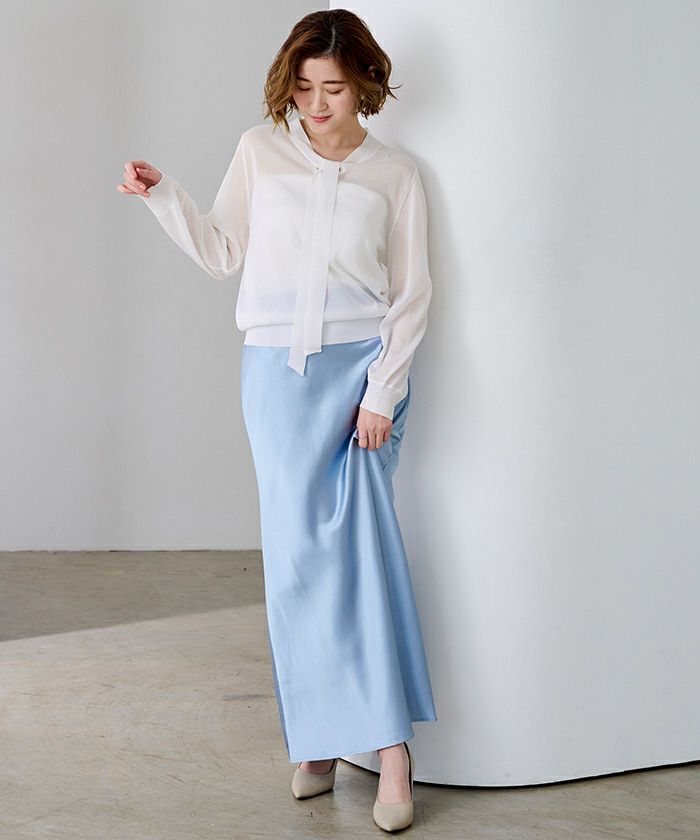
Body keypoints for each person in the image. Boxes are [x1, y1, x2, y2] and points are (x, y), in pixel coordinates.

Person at [118, 8, 437, 832]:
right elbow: (223, 251)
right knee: (296, 567)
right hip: (276, 381)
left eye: (334, 88)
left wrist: (382, 393)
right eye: (303, 87)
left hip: (362, 379)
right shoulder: (260, 151)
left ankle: (392, 752)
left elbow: (411, 296)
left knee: (360, 557)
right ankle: (319, 740)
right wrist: (165, 197)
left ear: (365, 84)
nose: (317, 104)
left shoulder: (396, 173)